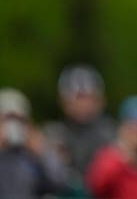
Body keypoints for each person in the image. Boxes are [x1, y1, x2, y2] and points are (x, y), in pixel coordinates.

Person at [42, 64, 116, 196]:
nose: (83, 104)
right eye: (77, 98)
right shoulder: (54, 133)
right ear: (63, 101)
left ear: (100, 100)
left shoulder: (111, 134)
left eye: (88, 97)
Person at [0, 87, 59, 198]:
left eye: (19, 119)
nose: (13, 125)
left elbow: (59, 182)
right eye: (8, 119)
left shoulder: (32, 151)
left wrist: (42, 152)